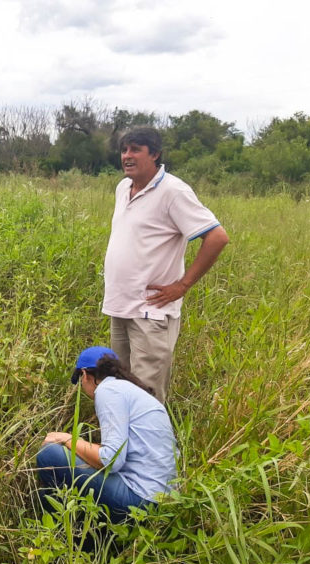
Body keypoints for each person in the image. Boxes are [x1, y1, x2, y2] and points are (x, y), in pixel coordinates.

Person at [103, 127, 229, 403]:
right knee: (119, 385)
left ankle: (151, 446)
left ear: (155, 154)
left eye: (136, 149)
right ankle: (120, 445)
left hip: (151, 310)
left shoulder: (174, 191)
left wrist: (183, 285)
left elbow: (217, 237)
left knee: (145, 394)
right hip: (120, 304)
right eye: (124, 150)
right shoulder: (123, 187)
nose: (127, 156)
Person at [36, 346, 176, 524]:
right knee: (48, 489)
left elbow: (111, 460)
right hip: (167, 498)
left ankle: (66, 536)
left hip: (142, 499)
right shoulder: (129, 390)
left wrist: (68, 439)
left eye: (80, 380)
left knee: (49, 454)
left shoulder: (107, 391)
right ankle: (91, 537)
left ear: (85, 375)